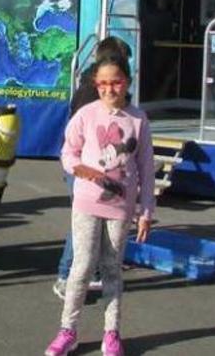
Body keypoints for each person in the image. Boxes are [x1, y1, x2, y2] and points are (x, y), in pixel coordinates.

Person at [46, 56, 156, 356]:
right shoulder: (85, 114)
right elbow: (68, 152)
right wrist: (79, 169)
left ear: (128, 83)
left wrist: (146, 211)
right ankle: (67, 331)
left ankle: (112, 334)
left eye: (116, 82)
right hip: (86, 202)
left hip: (121, 207)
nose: (109, 89)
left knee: (111, 269)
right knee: (81, 268)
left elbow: (147, 168)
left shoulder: (138, 119)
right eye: (103, 83)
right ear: (96, 85)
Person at [54, 36, 132, 298]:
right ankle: (66, 276)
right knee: (83, 222)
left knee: (96, 222)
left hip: (99, 169)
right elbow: (74, 142)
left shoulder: (94, 87)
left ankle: (93, 272)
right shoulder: (90, 94)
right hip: (86, 169)